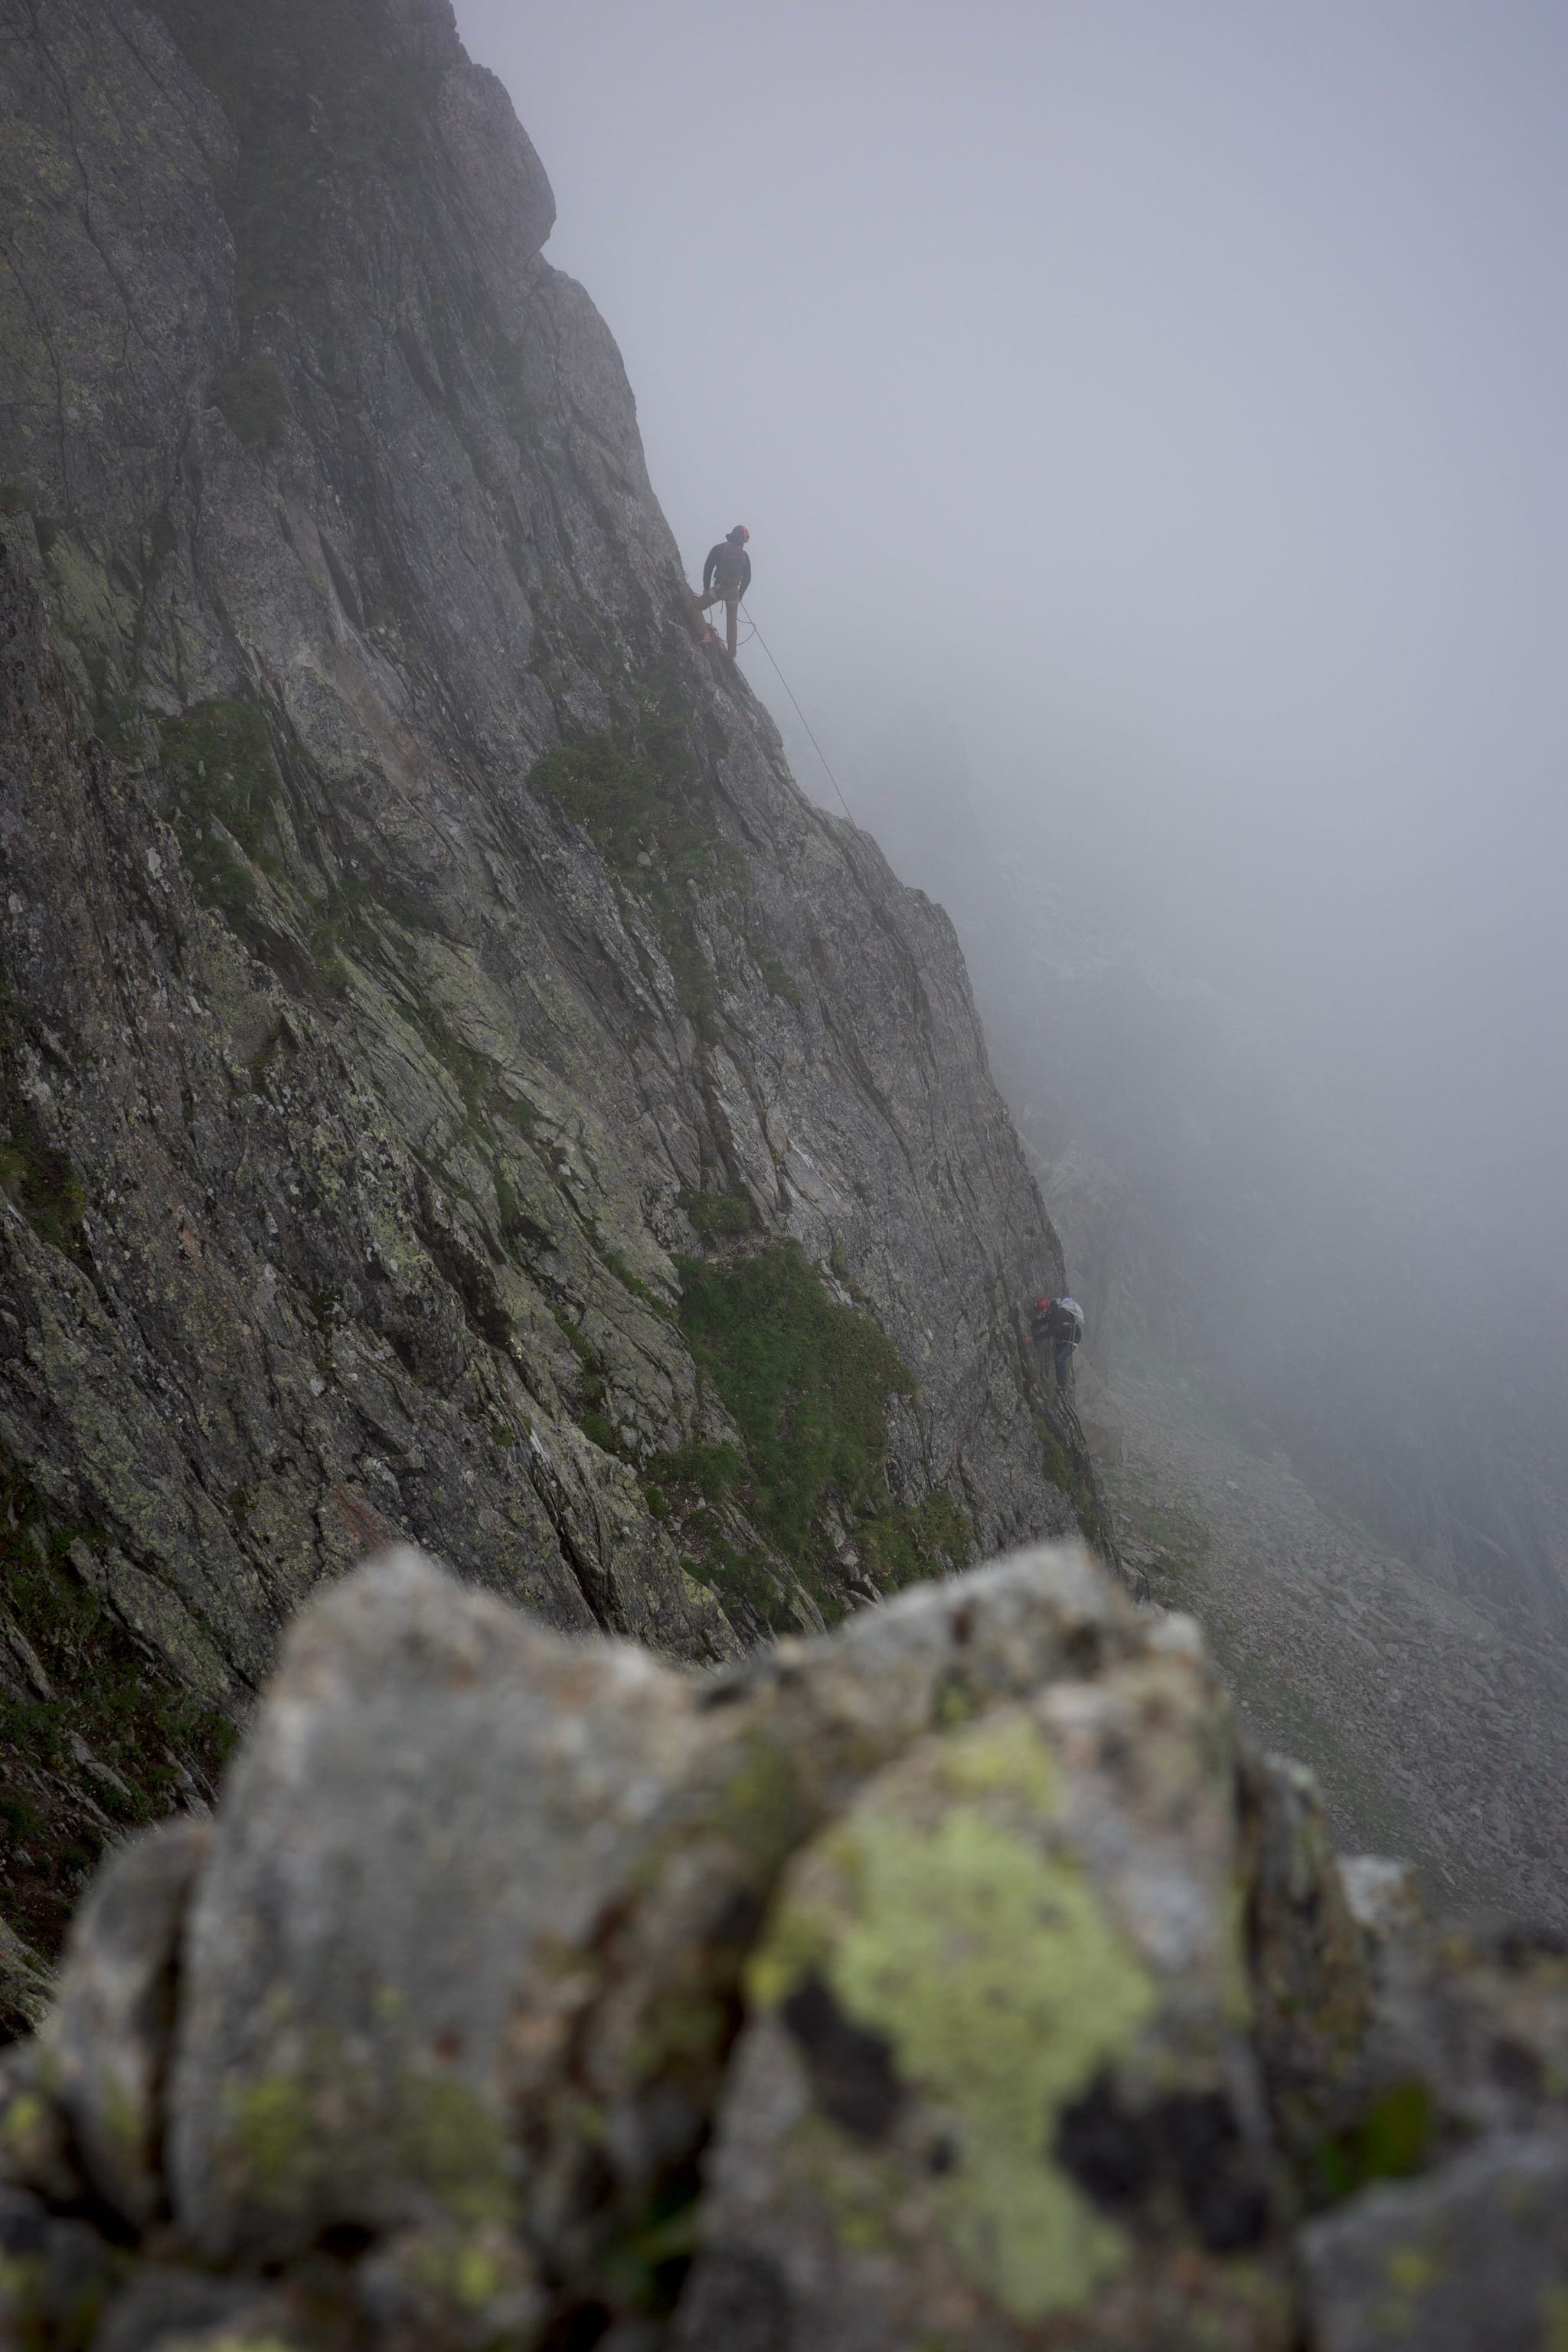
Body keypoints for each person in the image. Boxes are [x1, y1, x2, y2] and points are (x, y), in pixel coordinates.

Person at [697, 525, 752, 657]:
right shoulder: (744, 556)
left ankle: (705, 635)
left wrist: (706, 588)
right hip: (733, 593)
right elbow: (748, 578)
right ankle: (731, 654)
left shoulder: (719, 548)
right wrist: (740, 594)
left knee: (695, 608)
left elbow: (708, 568)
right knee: (732, 624)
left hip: (718, 590)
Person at [1031, 1294, 1084, 1395]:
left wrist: (1033, 1338)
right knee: (1057, 1359)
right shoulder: (1054, 1311)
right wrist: (1032, 1324)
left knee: (1060, 1359)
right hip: (1064, 1337)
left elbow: (1051, 1331)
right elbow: (1045, 1321)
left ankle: (1063, 1386)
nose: (1043, 1314)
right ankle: (1057, 1384)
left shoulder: (1058, 1314)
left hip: (1072, 1339)